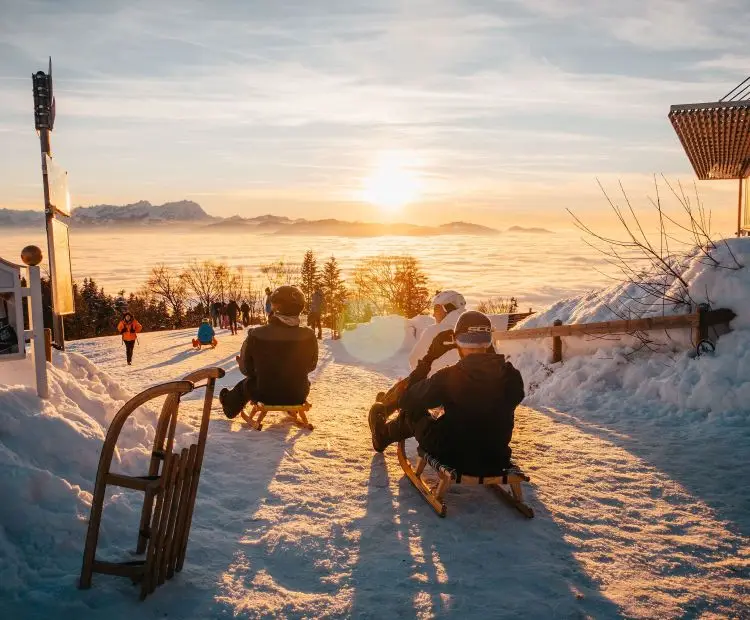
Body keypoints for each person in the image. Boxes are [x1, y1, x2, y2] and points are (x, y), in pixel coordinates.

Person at [368, 310, 524, 475]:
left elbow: (407, 400)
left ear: (457, 342)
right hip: (496, 458)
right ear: (488, 342)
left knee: (413, 411)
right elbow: (492, 395)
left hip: (454, 456)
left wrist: (428, 359)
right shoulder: (511, 375)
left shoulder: (450, 376)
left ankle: (381, 436)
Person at [219, 285, 318, 418]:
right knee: (299, 382)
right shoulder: (309, 335)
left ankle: (229, 406)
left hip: (264, 393)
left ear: (276, 307)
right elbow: (311, 366)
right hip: (298, 393)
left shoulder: (257, 334)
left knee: (247, 384)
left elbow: (247, 369)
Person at [408, 290, 466, 377]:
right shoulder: (479, 330)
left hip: (436, 386)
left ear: (448, 309)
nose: (434, 315)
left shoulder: (433, 331)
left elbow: (414, 360)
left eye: (436, 309)